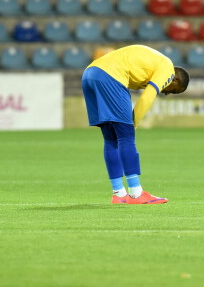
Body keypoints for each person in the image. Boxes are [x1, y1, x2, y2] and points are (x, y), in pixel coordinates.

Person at [81, 45, 189, 204]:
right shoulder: (168, 70)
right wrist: (133, 124)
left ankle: (118, 193)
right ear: (175, 79)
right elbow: (147, 97)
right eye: (173, 91)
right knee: (126, 137)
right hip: (110, 76)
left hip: (89, 74)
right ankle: (136, 193)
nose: (167, 93)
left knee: (111, 138)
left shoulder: (152, 66)